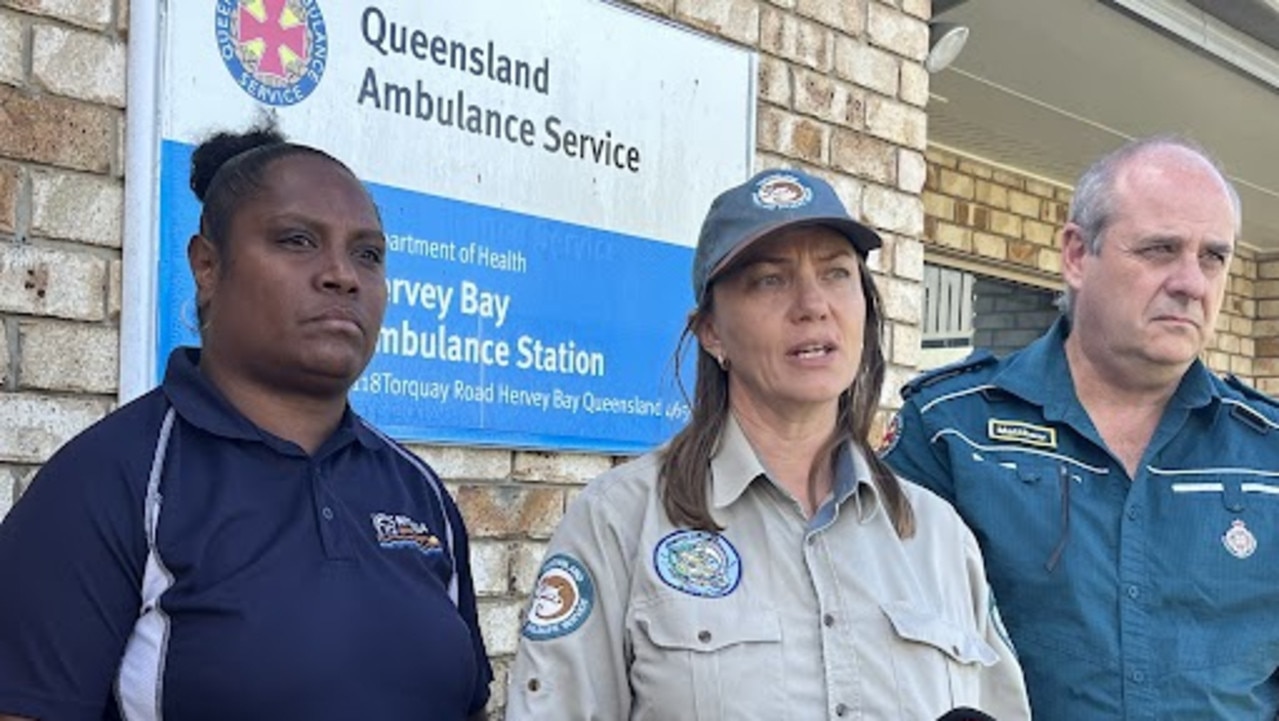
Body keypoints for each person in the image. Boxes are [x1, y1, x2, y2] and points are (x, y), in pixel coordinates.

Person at [0, 123, 492, 720]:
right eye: (297, 240)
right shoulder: (113, 482)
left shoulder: (419, 493)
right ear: (207, 266)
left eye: (368, 254)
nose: (343, 274)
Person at [505, 169, 1030, 720]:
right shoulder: (619, 522)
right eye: (769, 280)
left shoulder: (939, 538)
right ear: (710, 332)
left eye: (836, 273)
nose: (812, 304)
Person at [881, 136, 1279, 718]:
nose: (1192, 283)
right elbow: (885, 656)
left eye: (1213, 257)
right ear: (1075, 255)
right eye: (1160, 250)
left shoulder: (1267, 453)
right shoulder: (953, 431)